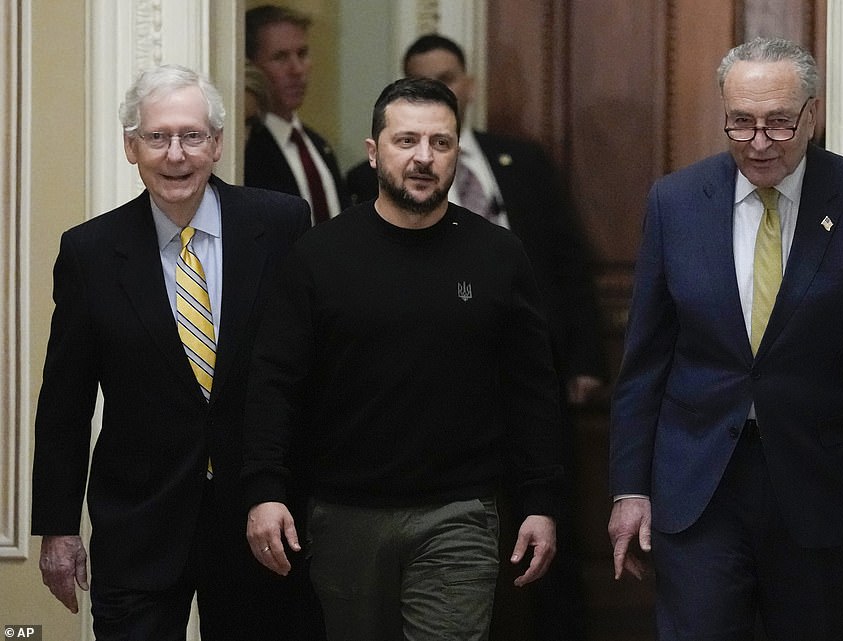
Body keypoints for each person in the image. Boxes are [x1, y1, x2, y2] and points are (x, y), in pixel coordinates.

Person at [607, 36, 843, 640]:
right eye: (741, 123)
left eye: (779, 124)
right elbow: (646, 360)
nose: (758, 142)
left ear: (811, 116)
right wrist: (629, 489)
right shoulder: (676, 203)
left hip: (819, 485)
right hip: (700, 484)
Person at [243, 76, 564, 641]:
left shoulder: (498, 256)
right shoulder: (319, 256)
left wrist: (540, 499)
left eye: (440, 144)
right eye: (407, 140)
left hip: (460, 513)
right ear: (374, 153)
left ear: (456, 155)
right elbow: (274, 383)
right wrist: (265, 491)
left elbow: (531, 390)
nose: (423, 158)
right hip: (344, 514)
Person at [31, 64, 322, 641]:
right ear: (130, 148)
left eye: (191, 136)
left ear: (216, 144)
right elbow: (64, 402)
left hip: (258, 518)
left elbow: (306, 372)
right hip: (139, 522)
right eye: (157, 137)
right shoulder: (90, 252)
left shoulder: (281, 223)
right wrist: (58, 529)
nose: (175, 155)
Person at [348, 37, 603, 639]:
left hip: (532, 378)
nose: (423, 153)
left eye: (448, 78)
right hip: (427, 410)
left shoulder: (524, 162)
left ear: (469, 84)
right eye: (424, 81)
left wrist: (586, 358)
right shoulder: (365, 181)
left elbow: (569, 264)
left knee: (546, 534)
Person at [244, 4, 347, 222]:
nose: (297, 69)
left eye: (302, 54)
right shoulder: (246, 147)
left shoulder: (319, 147)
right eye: (280, 57)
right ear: (250, 66)